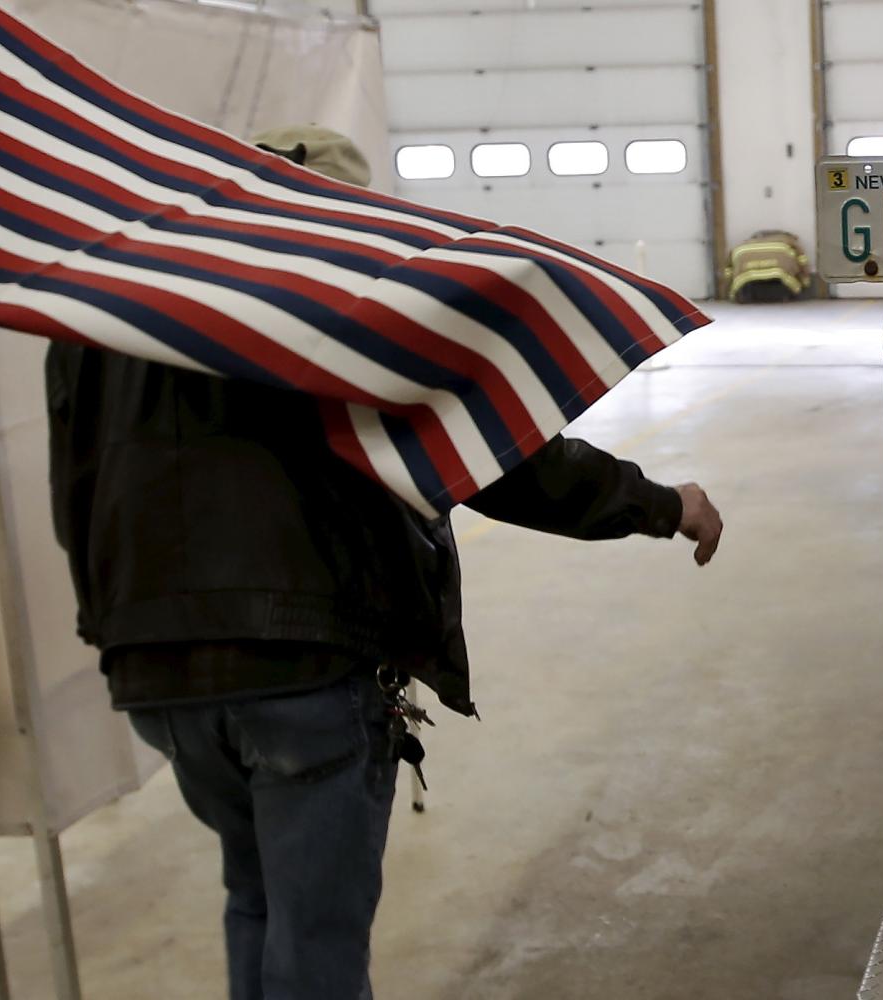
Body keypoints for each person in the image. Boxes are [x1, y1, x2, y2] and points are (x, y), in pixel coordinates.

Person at [45, 125, 724, 1000]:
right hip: (300, 663)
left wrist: (116, 626)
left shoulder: (105, 309)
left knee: (254, 899)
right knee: (316, 950)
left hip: (156, 672)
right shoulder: (335, 290)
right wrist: (661, 504)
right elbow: (488, 453)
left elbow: (74, 490)